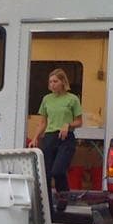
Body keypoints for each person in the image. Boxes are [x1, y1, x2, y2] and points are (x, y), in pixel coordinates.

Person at [30, 68, 83, 212]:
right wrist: (35, 137)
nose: (52, 84)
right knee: (46, 174)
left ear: (63, 82)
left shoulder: (72, 99)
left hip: (65, 137)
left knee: (58, 171)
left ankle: (63, 196)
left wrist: (68, 125)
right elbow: (43, 122)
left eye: (55, 81)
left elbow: (79, 121)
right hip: (49, 137)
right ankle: (47, 207)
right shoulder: (46, 99)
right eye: (50, 82)